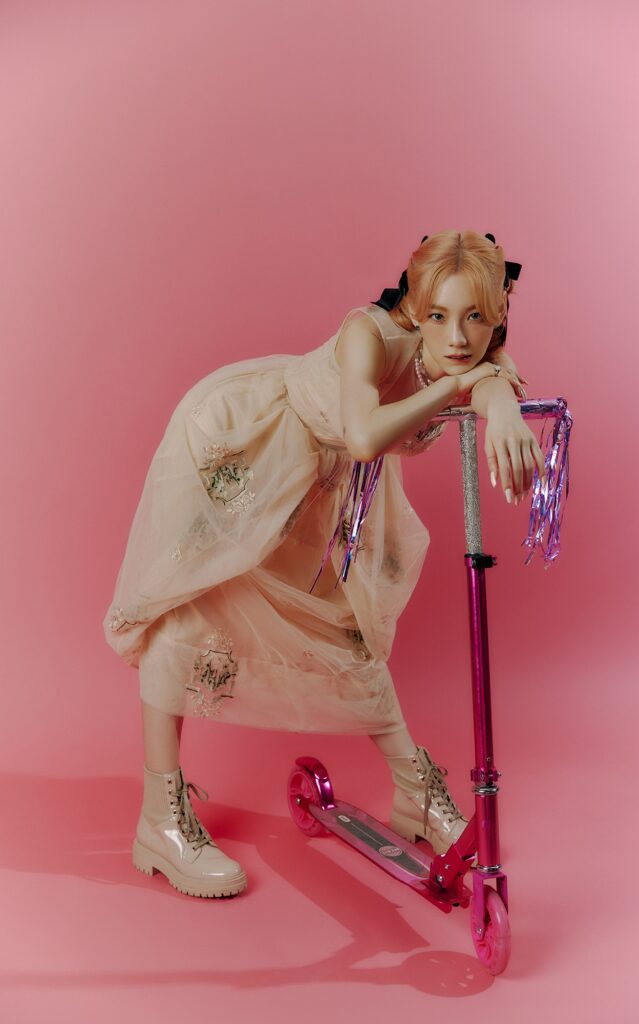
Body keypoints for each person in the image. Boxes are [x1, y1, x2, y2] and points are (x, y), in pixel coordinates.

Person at [103, 228, 546, 899]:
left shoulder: (472, 355)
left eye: (474, 318)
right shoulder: (367, 333)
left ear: (497, 317)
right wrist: (464, 385)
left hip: (321, 477)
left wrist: (501, 404)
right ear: (414, 305)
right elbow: (365, 435)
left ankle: (415, 793)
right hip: (244, 437)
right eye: (437, 316)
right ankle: (159, 820)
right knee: (191, 601)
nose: (456, 338)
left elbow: (489, 380)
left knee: (347, 628)